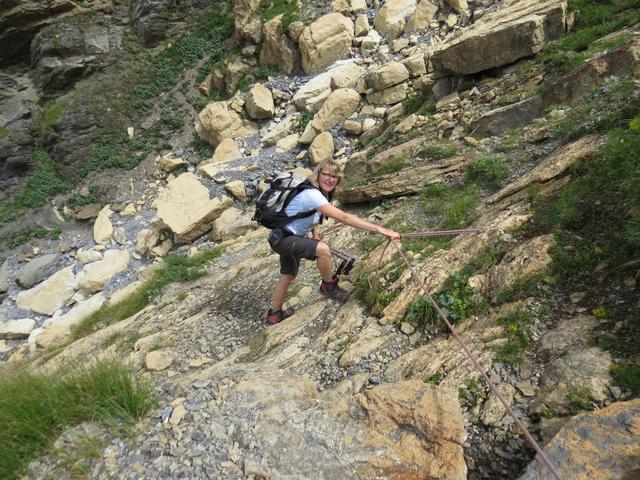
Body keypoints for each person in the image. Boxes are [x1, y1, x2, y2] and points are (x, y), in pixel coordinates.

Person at [265, 159, 401, 326]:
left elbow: (311, 216)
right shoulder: (313, 194)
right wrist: (381, 229)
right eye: (326, 174)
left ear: (338, 179)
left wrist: (315, 234)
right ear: (318, 174)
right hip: (286, 239)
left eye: (334, 177)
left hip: (283, 237)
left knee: (288, 275)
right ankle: (328, 286)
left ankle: (274, 314)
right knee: (323, 250)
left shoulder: (320, 193)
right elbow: (344, 217)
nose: (330, 179)